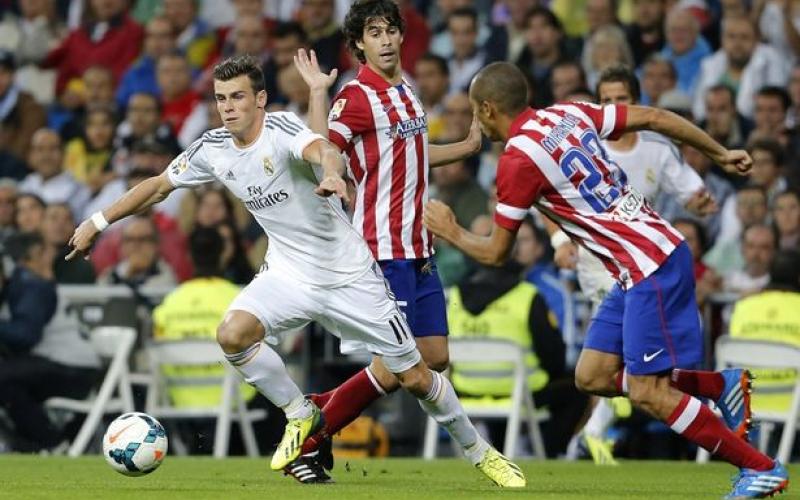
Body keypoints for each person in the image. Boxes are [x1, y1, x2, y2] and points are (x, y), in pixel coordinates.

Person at [66, 54, 524, 487]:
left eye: (238, 97)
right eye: (221, 99)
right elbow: (157, 186)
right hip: (288, 274)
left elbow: (324, 149)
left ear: (260, 99)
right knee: (233, 334)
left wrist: (332, 173)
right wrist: (96, 222)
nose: (228, 107)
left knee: (417, 376)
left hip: (348, 275)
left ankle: (480, 452)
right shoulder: (213, 148)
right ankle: (300, 412)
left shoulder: (281, 129)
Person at [423, 61, 787, 498]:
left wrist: (450, 231)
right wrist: (720, 152)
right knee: (593, 375)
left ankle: (760, 468)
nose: (476, 121)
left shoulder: (517, 160)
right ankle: (719, 386)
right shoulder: (567, 114)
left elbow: (497, 253)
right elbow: (654, 117)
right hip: (638, 263)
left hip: (651, 264)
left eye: (474, 111)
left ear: (486, 109)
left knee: (649, 392)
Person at [288, 0, 485, 478]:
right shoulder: (355, 97)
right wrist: (318, 94)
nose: (386, 40)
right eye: (374, 33)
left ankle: (321, 407)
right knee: (396, 366)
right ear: (359, 44)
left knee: (433, 357)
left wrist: (466, 146)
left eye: (391, 30)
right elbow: (321, 148)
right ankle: (313, 435)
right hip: (383, 248)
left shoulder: (407, 90)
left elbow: (413, 153)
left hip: (419, 248)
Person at [0, 232, 100, 452]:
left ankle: (51, 442)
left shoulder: (30, 285)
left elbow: (26, 335)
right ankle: (30, 444)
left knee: (3, 377)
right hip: (57, 364)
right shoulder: (19, 285)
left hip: (74, 369)